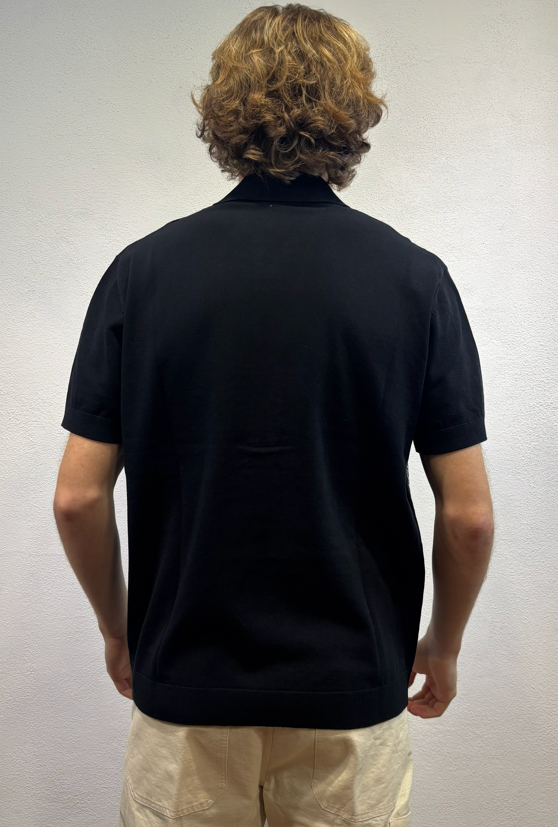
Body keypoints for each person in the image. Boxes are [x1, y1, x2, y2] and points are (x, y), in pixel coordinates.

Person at [53, 4, 494, 826]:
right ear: (353, 110)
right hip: (350, 694)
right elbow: (467, 515)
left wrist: (120, 630)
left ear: (224, 110)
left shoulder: (140, 274)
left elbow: (77, 497)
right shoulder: (415, 280)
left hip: (185, 686)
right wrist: (443, 641)